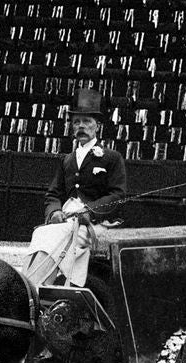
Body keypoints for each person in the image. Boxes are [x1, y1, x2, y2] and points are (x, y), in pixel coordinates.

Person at [25, 89, 127, 287]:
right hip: (66, 221)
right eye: (76, 122)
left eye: (87, 122)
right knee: (42, 233)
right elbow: (54, 194)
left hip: (96, 223)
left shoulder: (111, 157)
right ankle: (31, 287)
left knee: (55, 236)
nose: (81, 126)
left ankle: (35, 291)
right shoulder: (67, 160)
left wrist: (91, 212)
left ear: (97, 126)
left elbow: (118, 194)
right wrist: (54, 211)